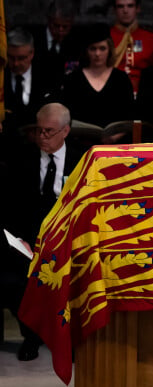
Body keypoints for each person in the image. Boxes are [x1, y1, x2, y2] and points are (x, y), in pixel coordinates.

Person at [1, 103, 85, 362]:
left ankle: (70, 339)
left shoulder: (82, 160)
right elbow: (8, 205)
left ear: (65, 131)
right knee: (11, 279)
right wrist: (19, 239)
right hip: (29, 240)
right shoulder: (22, 159)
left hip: (69, 241)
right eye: (39, 131)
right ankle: (32, 336)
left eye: (49, 131)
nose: (42, 137)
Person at [59, 24, 135, 128]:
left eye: (102, 48)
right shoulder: (73, 79)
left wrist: (115, 136)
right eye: (93, 49)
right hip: (80, 140)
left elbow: (130, 115)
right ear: (86, 51)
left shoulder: (121, 79)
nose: (97, 53)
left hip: (116, 141)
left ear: (110, 50)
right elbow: (66, 117)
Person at [2, 27, 58, 144]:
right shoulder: (1, 76)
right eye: (11, 58)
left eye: (22, 58)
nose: (16, 63)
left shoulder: (47, 76)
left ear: (32, 53)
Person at [110, 0, 153, 93]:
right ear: (114, 10)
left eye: (130, 6)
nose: (125, 11)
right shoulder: (105, 38)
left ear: (138, 8)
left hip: (144, 93)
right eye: (120, 6)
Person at [31, 0, 82, 83]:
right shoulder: (34, 39)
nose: (60, 30)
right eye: (56, 25)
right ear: (49, 20)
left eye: (65, 27)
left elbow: (73, 72)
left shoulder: (75, 43)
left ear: (71, 24)